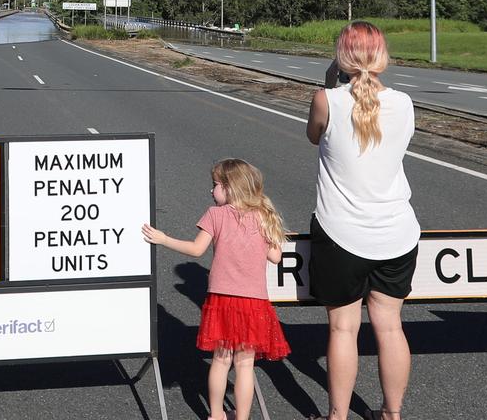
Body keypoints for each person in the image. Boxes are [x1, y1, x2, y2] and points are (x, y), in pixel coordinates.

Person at [305, 21, 420, 420]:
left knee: (343, 329)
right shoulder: (404, 104)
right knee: (389, 327)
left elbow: (314, 137)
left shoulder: (326, 100)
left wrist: (330, 85)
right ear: (383, 56)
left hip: (341, 233)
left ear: (342, 57)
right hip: (397, 232)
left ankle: (337, 416)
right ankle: (392, 414)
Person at [142, 159, 291, 420]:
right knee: (245, 365)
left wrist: (164, 239)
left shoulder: (215, 215)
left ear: (230, 187)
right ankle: (242, 417)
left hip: (222, 298)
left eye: (215, 185)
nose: (212, 191)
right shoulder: (263, 216)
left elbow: (197, 249)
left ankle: (216, 414)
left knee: (221, 360)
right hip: (254, 301)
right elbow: (276, 257)